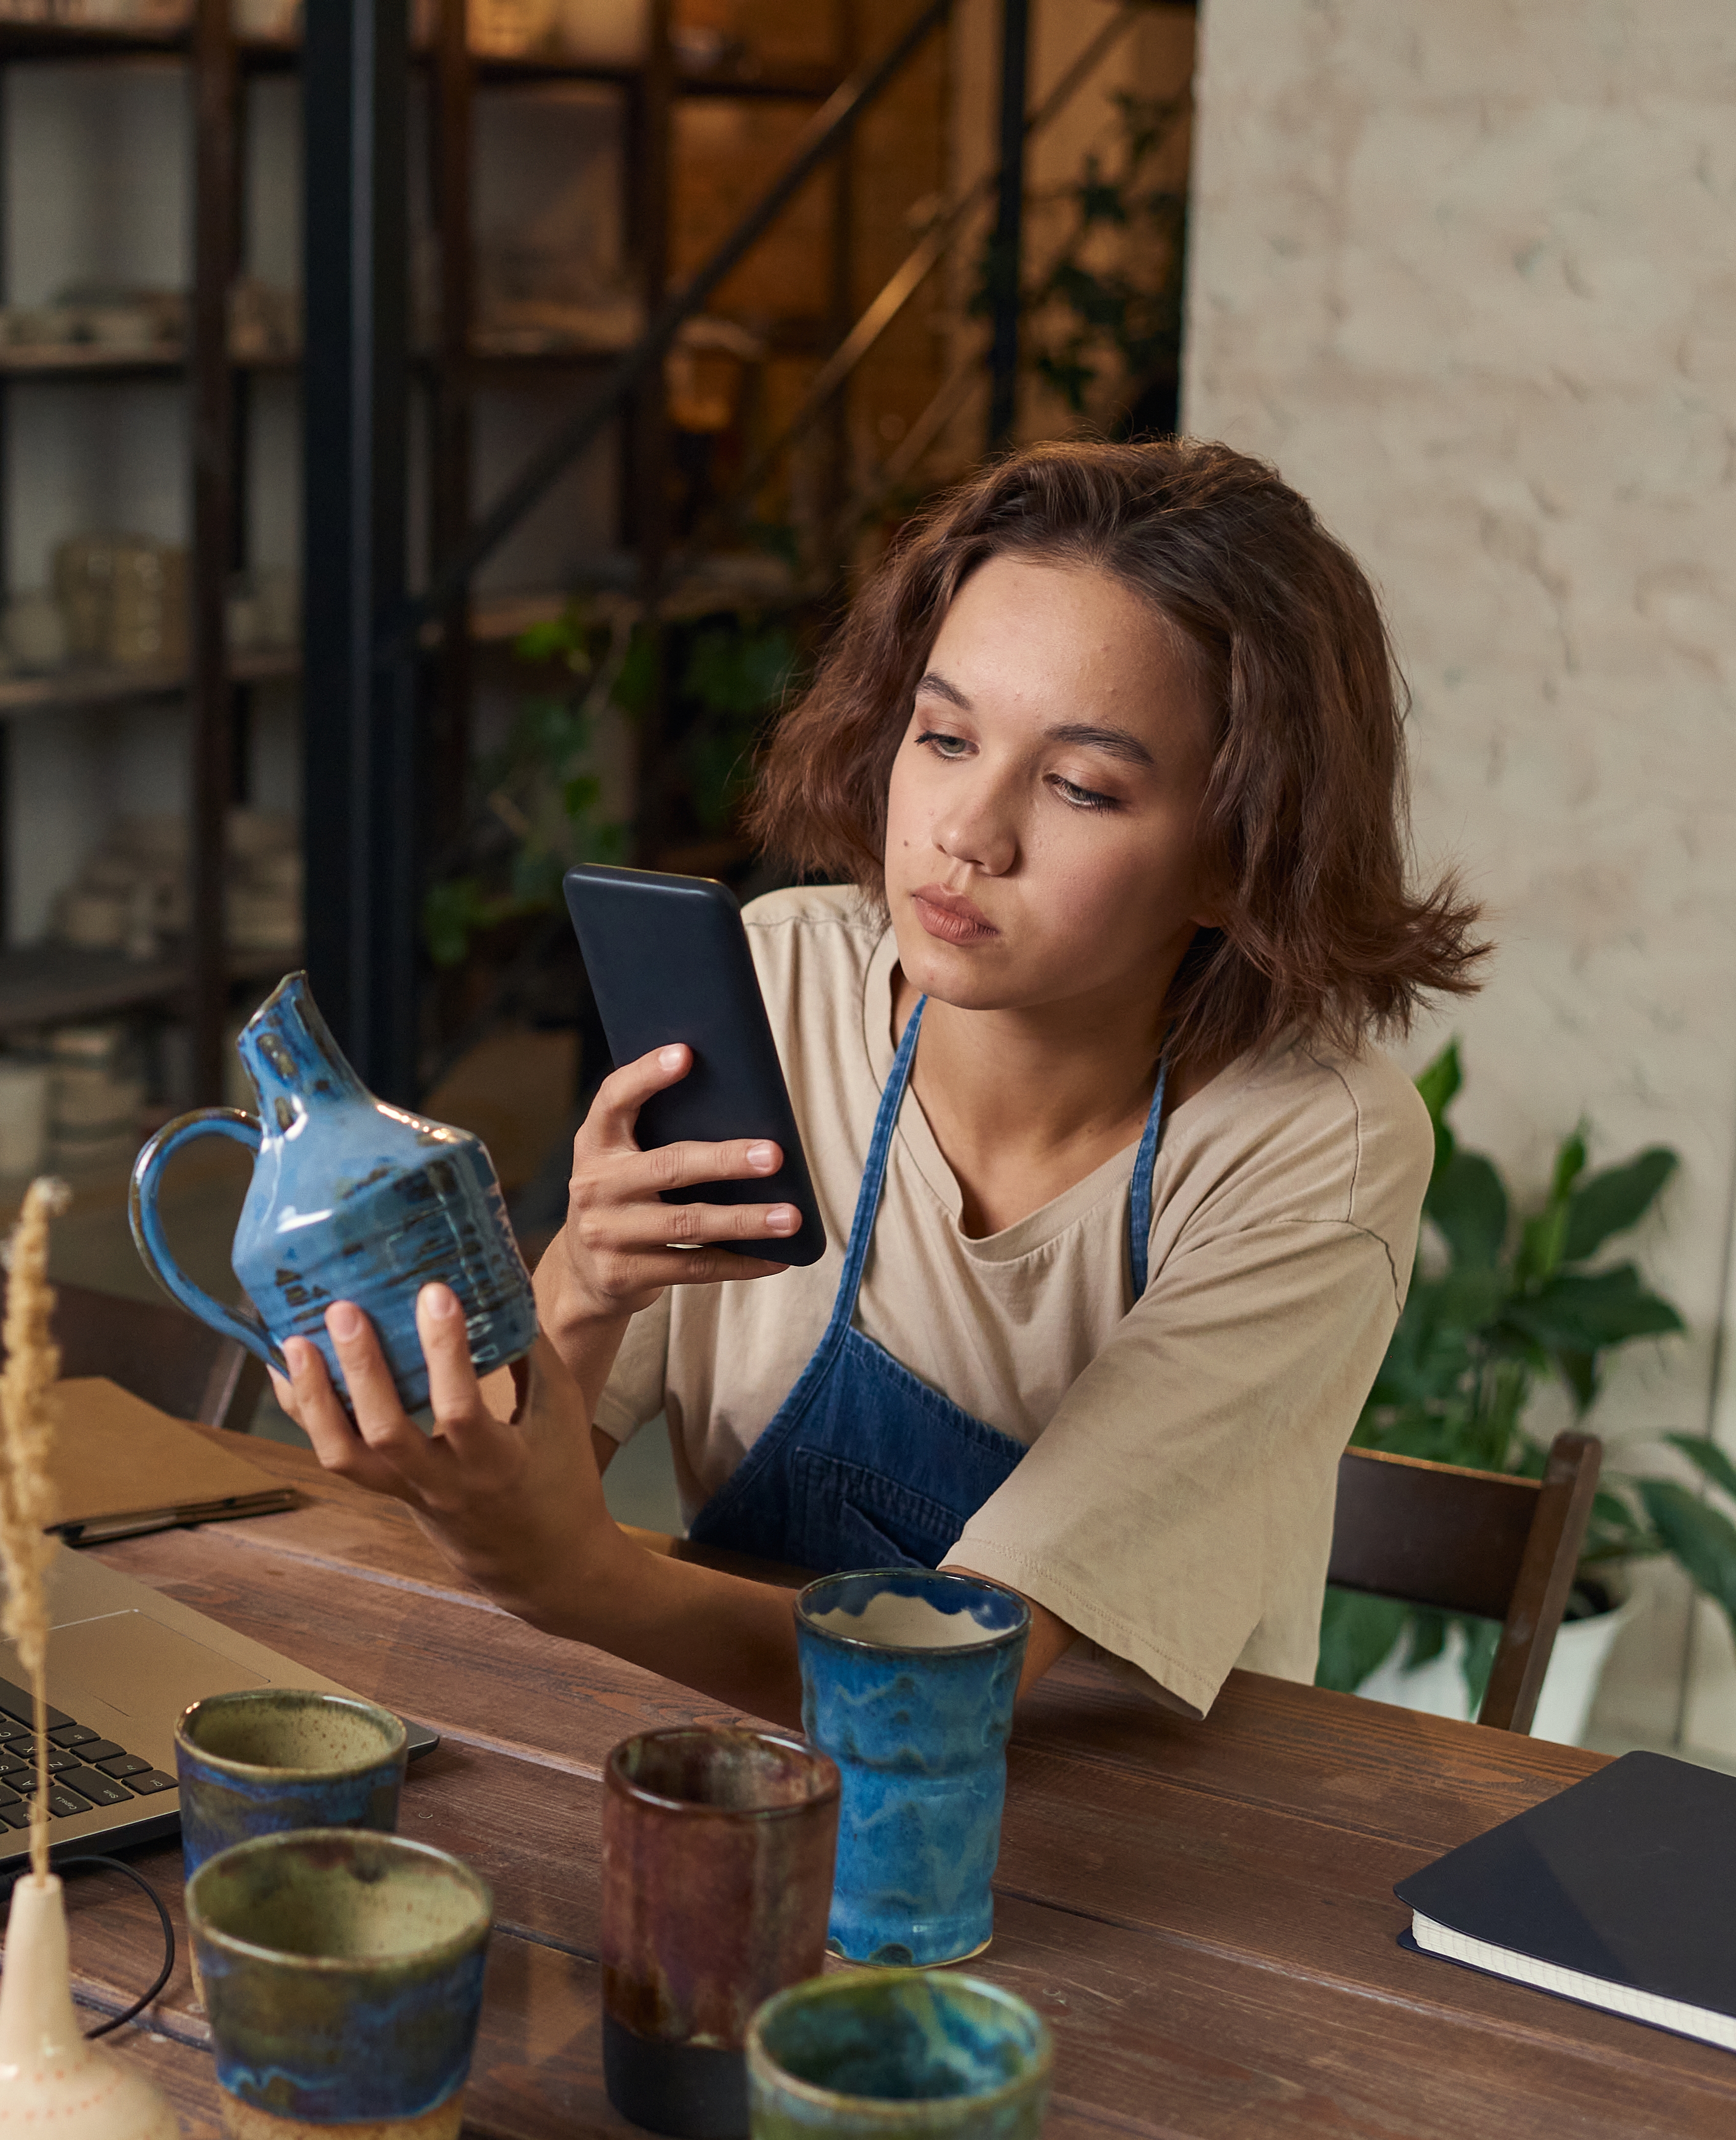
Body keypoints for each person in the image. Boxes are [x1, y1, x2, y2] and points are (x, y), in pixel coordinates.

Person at [274, 440, 1484, 1730]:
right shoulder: (776, 986)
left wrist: (583, 1581)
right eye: (946, 736)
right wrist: (582, 1289)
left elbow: (963, 1678)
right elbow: (545, 1474)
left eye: (1080, 784)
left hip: (1129, 1839)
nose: (968, 833)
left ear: (1241, 858)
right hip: (752, 1767)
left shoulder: (1308, 1148)